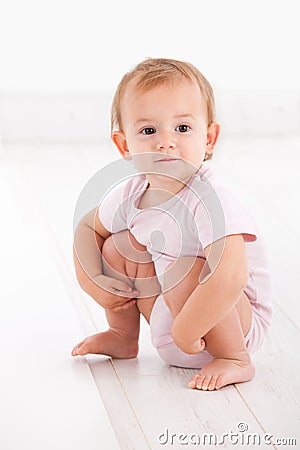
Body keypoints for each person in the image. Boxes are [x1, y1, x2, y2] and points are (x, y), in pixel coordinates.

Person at [71, 58, 272, 391]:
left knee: (186, 270)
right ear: (124, 145)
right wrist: (93, 283)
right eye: (149, 131)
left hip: (231, 320)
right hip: (174, 316)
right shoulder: (131, 194)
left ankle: (235, 360)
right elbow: (86, 231)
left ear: (209, 139)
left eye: (182, 128)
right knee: (115, 246)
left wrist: (187, 329)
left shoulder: (212, 199)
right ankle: (123, 336)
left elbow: (230, 276)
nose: (165, 142)